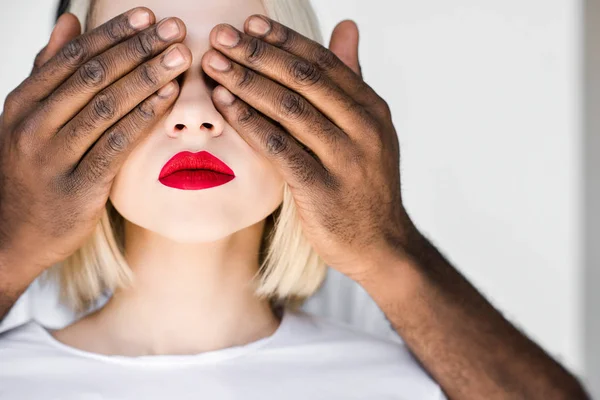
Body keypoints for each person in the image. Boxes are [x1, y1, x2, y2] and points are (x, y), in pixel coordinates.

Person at [0, 0, 590, 399]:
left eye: (235, 75)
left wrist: (384, 244)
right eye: (148, 77)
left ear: (322, 100)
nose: (195, 119)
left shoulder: (402, 387)